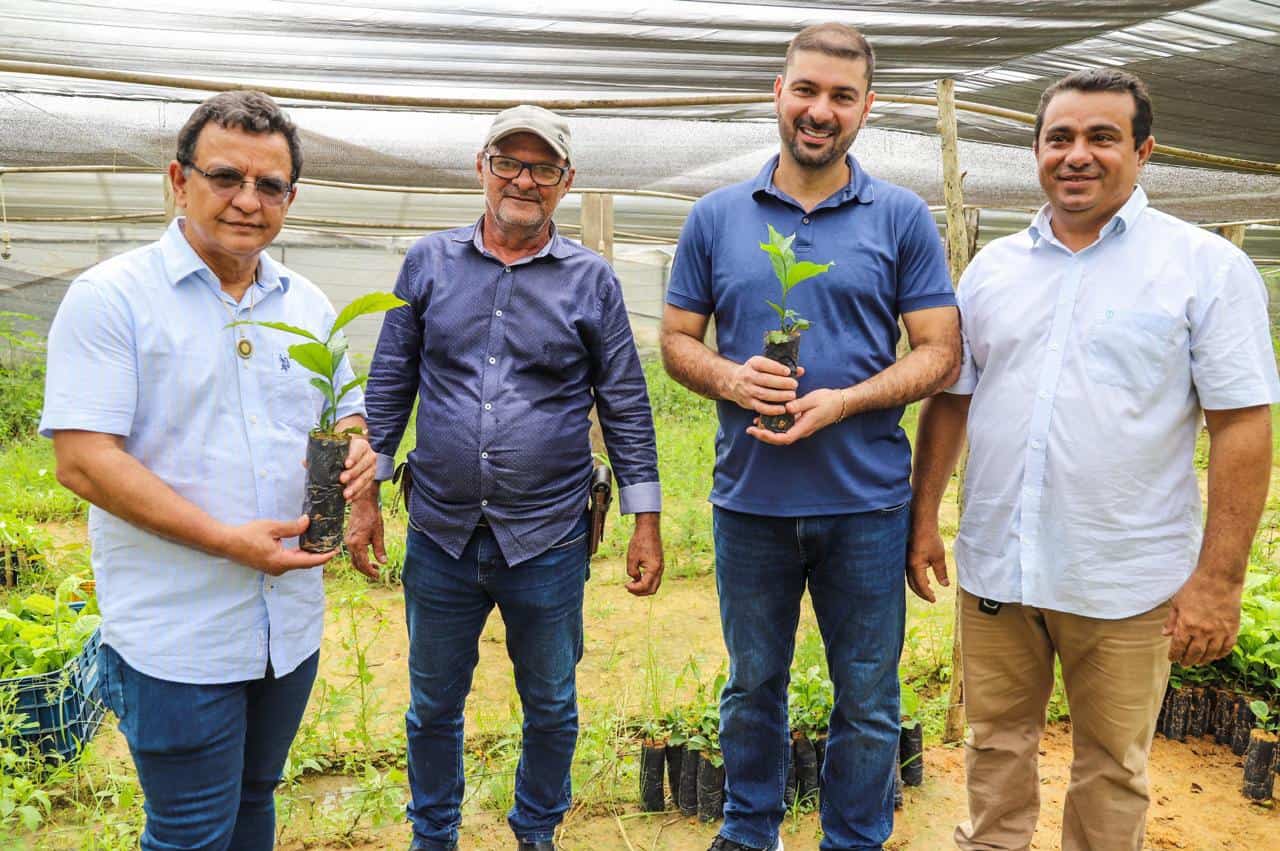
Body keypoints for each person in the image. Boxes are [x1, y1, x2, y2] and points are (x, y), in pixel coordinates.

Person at [908, 68, 1279, 851]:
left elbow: (1243, 424)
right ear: (1037, 151)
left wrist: (1218, 580)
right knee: (994, 746)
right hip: (1000, 566)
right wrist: (924, 519)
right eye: (1060, 138)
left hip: (1127, 578)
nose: (1077, 155)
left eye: (1101, 137)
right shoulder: (995, 269)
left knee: (1112, 765)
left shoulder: (1203, 267)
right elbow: (953, 399)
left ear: (1143, 151)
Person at [40, 90, 376, 850]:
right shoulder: (113, 298)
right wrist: (228, 540)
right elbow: (84, 461)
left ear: (292, 197)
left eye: (270, 186)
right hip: (177, 633)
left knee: (256, 799)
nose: (247, 201)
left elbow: (344, 412)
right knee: (190, 828)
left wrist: (356, 451)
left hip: (285, 626)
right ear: (178, 179)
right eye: (226, 177)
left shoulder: (309, 303)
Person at [660, 23, 961, 851]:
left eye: (839, 96)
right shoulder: (717, 216)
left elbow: (941, 350)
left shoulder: (900, 217)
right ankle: (749, 830)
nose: (819, 110)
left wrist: (848, 399)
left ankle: (854, 838)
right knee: (752, 682)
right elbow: (678, 336)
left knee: (867, 694)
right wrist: (729, 376)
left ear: (867, 107)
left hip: (866, 504)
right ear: (778, 92)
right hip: (750, 501)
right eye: (806, 90)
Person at [346, 104, 663, 851]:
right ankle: (434, 834)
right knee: (431, 704)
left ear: (565, 181)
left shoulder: (591, 280)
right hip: (441, 531)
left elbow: (624, 399)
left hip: (548, 535)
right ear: (481, 166)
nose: (524, 179)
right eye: (509, 162)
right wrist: (364, 498)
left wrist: (643, 518)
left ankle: (537, 831)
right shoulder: (428, 263)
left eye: (542, 167)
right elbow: (391, 380)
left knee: (551, 702)